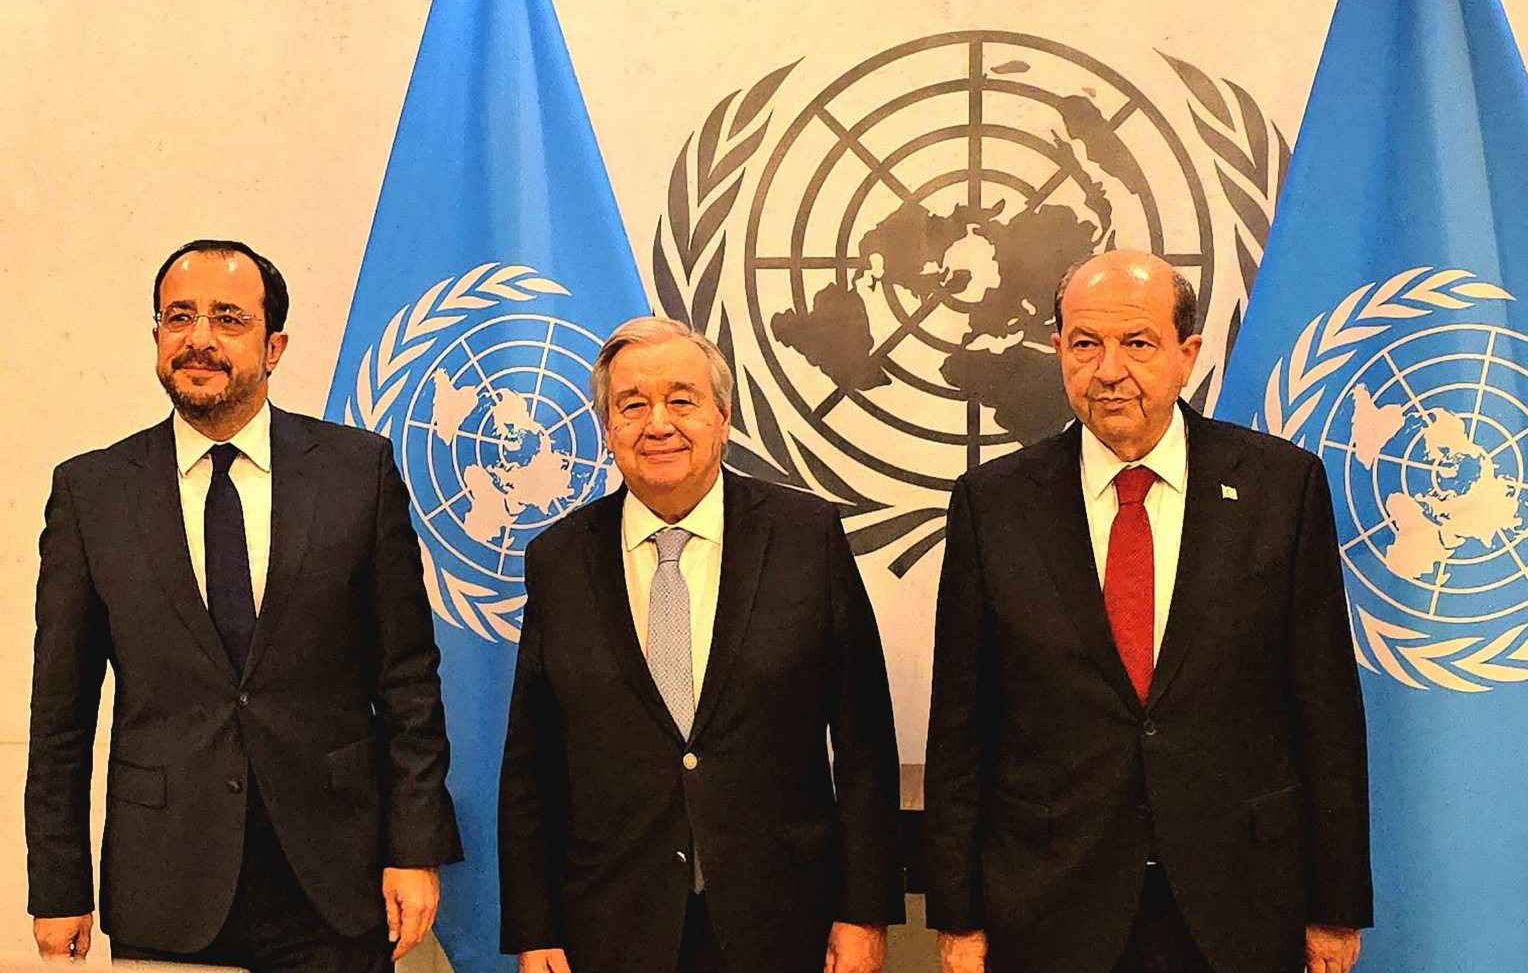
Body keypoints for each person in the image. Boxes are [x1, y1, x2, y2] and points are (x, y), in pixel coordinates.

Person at [923, 250, 1372, 973]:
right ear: (1057, 351)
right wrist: (957, 915)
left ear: (1186, 355)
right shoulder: (993, 503)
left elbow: (1325, 712)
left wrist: (1336, 904)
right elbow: (962, 727)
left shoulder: (1280, 488)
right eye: (1084, 344)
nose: (1108, 370)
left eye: (1137, 344)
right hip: (1050, 903)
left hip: (1241, 903)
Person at [26, 239, 463, 971]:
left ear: (275, 346)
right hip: (166, 878)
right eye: (179, 317)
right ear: (157, 338)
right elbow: (60, 713)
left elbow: (409, 683)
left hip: (334, 877)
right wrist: (57, 883)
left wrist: (414, 849)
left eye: (228, 318)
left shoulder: (359, 474)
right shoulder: (91, 493)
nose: (200, 339)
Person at [498, 317, 903, 973]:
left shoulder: (806, 537)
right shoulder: (558, 560)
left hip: (782, 920)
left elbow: (864, 744)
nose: (659, 423)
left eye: (682, 399)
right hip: (609, 925)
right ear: (607, 430)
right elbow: (532, 763)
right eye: (632, 405)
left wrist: (864, 912)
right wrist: (534, 929)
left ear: (722, 415)